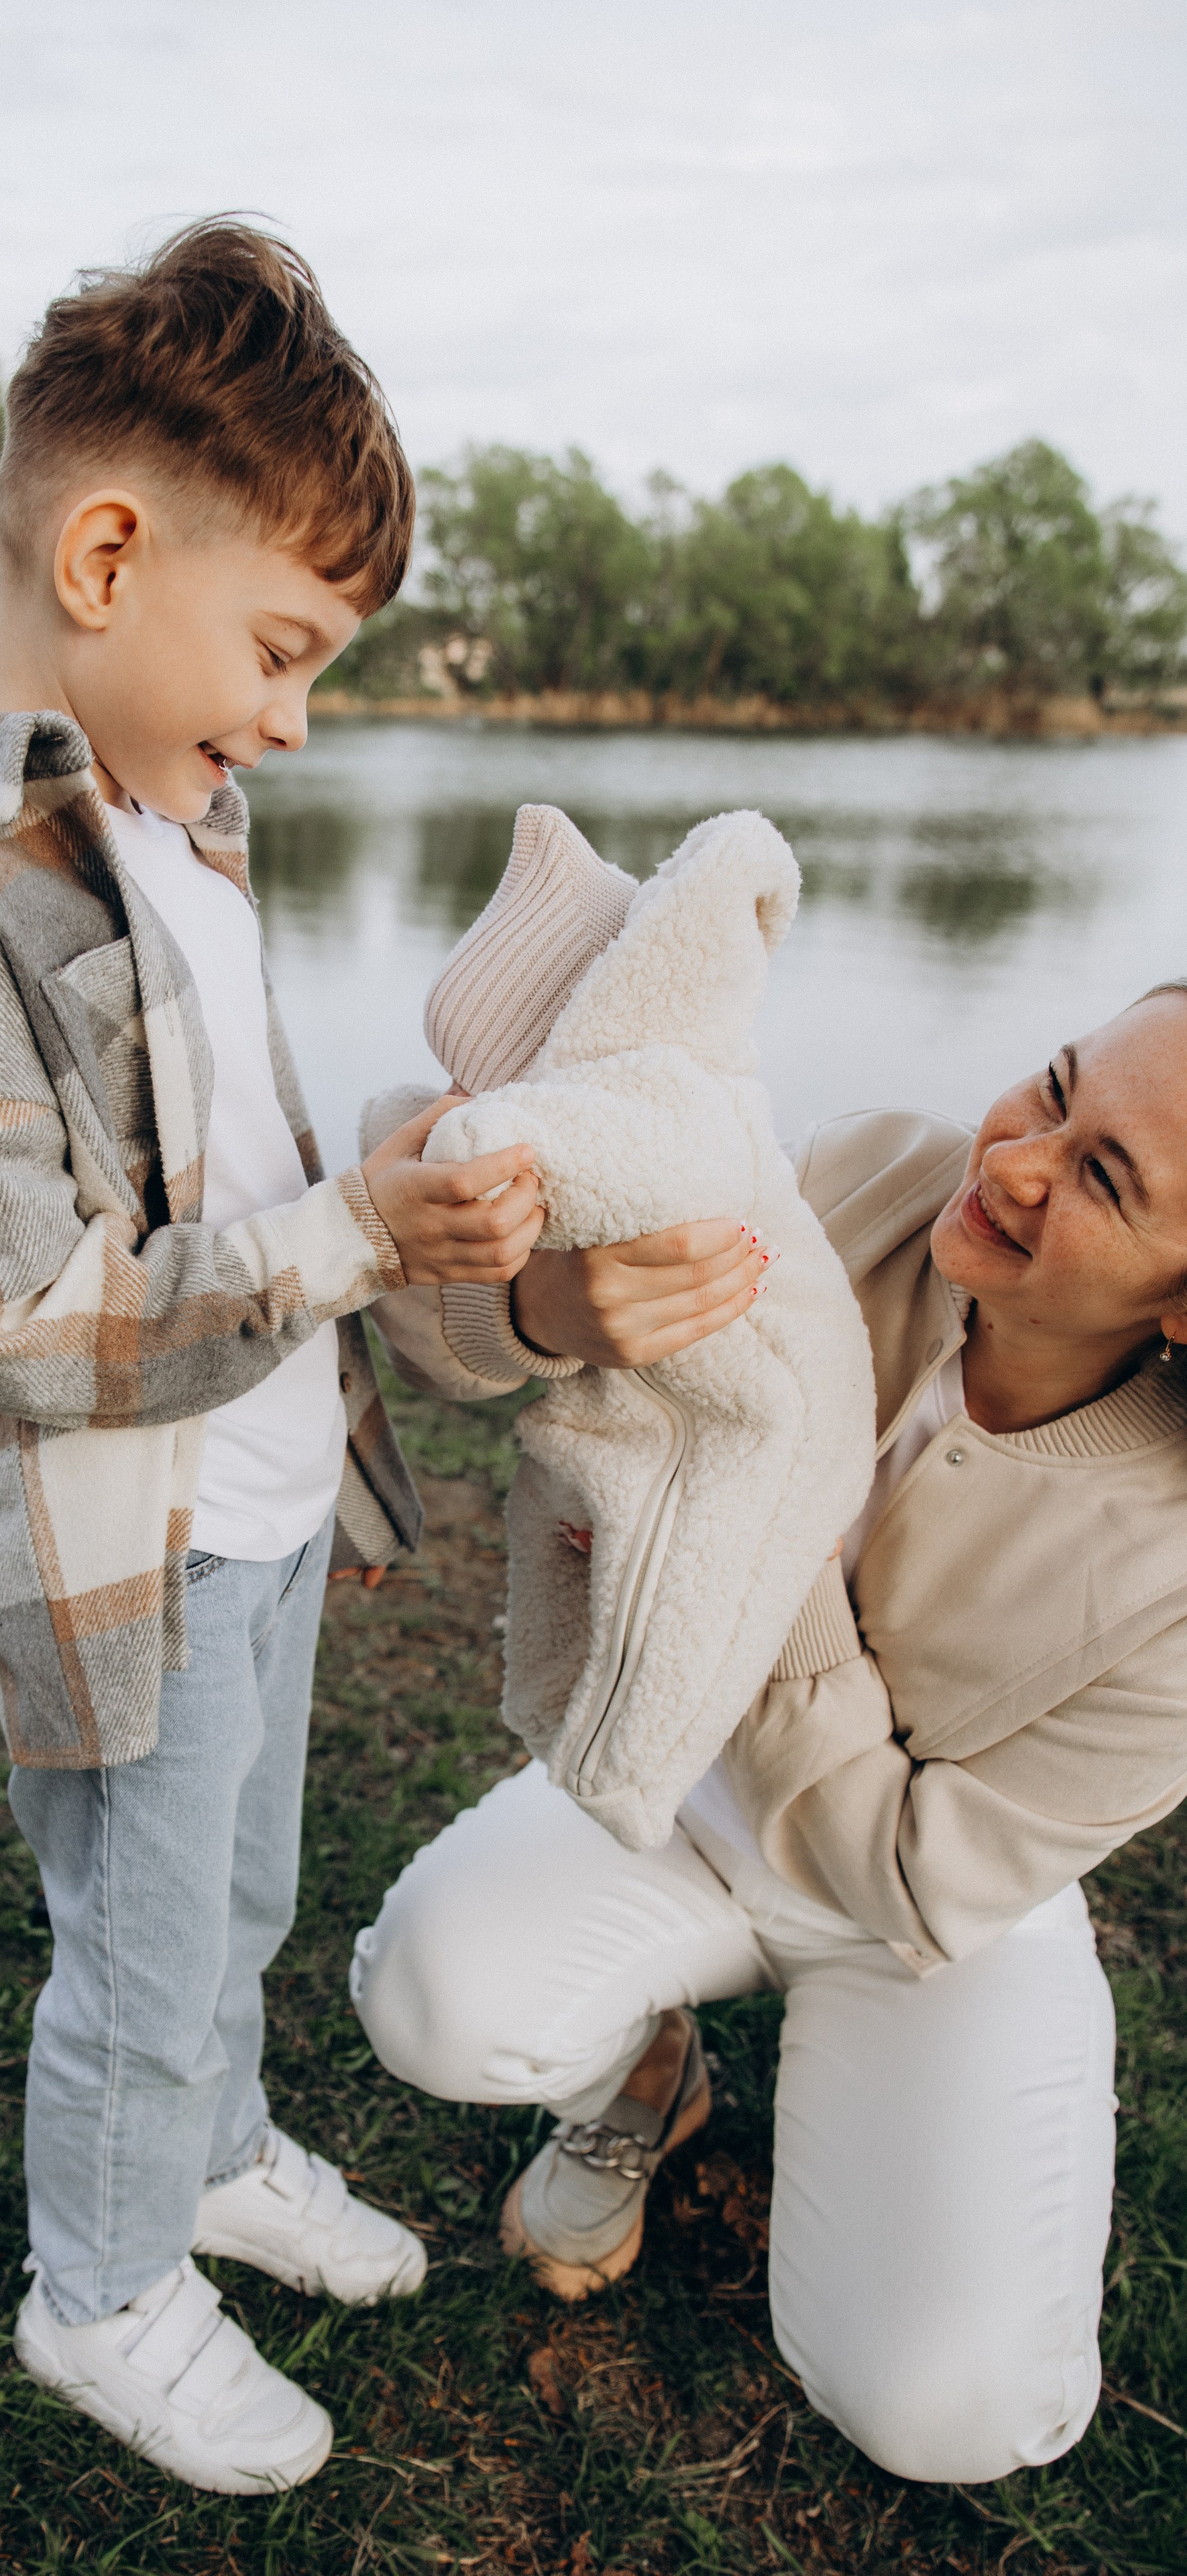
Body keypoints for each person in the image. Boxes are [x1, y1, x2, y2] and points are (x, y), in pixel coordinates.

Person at [0, 221, 545, 2494]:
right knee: (134, 1943)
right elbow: (27, 1327)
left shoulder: (193, 819)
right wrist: (340, 1235)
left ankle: (213, 2159)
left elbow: (238, 1148)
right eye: (286, 647)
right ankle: (102, 2290)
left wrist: (385, 1195)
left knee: (234, 1894)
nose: (300, 715)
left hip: (249, 1508)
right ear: (109, 552)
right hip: (118, 1544)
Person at [351, 985, 1187, 2485]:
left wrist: (778, 1556)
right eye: (1050, 1090)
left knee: (950, 2418)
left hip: (933, 1915)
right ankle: (648, 2074)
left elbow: (923, 1876)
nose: (1012, 1161)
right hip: (687, 1777)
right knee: (435, 2000)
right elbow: (471, 1324)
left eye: (1103, 1177)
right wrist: (544, 1300)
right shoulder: (865, 1173)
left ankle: (893, 2116)